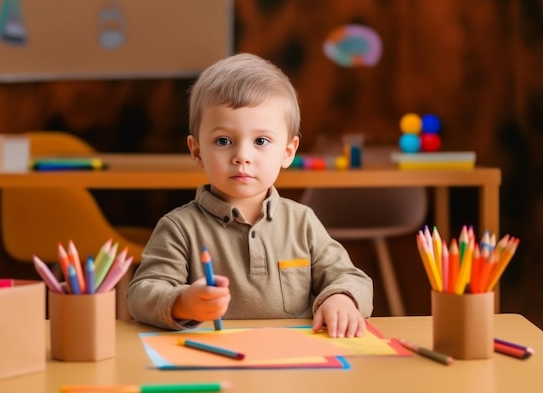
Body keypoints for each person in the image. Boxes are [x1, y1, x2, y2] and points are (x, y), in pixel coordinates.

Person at [126, 53, 373, 338]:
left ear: (288, 152)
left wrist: (341, 298)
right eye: (223, 141)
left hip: (291, 370)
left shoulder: (302, 222)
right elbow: (141, 293)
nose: (242, 156)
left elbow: (351, 278)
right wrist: (182, 303)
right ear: (197, 152)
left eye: (261, 141)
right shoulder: (179, 228)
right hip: (214, 366)